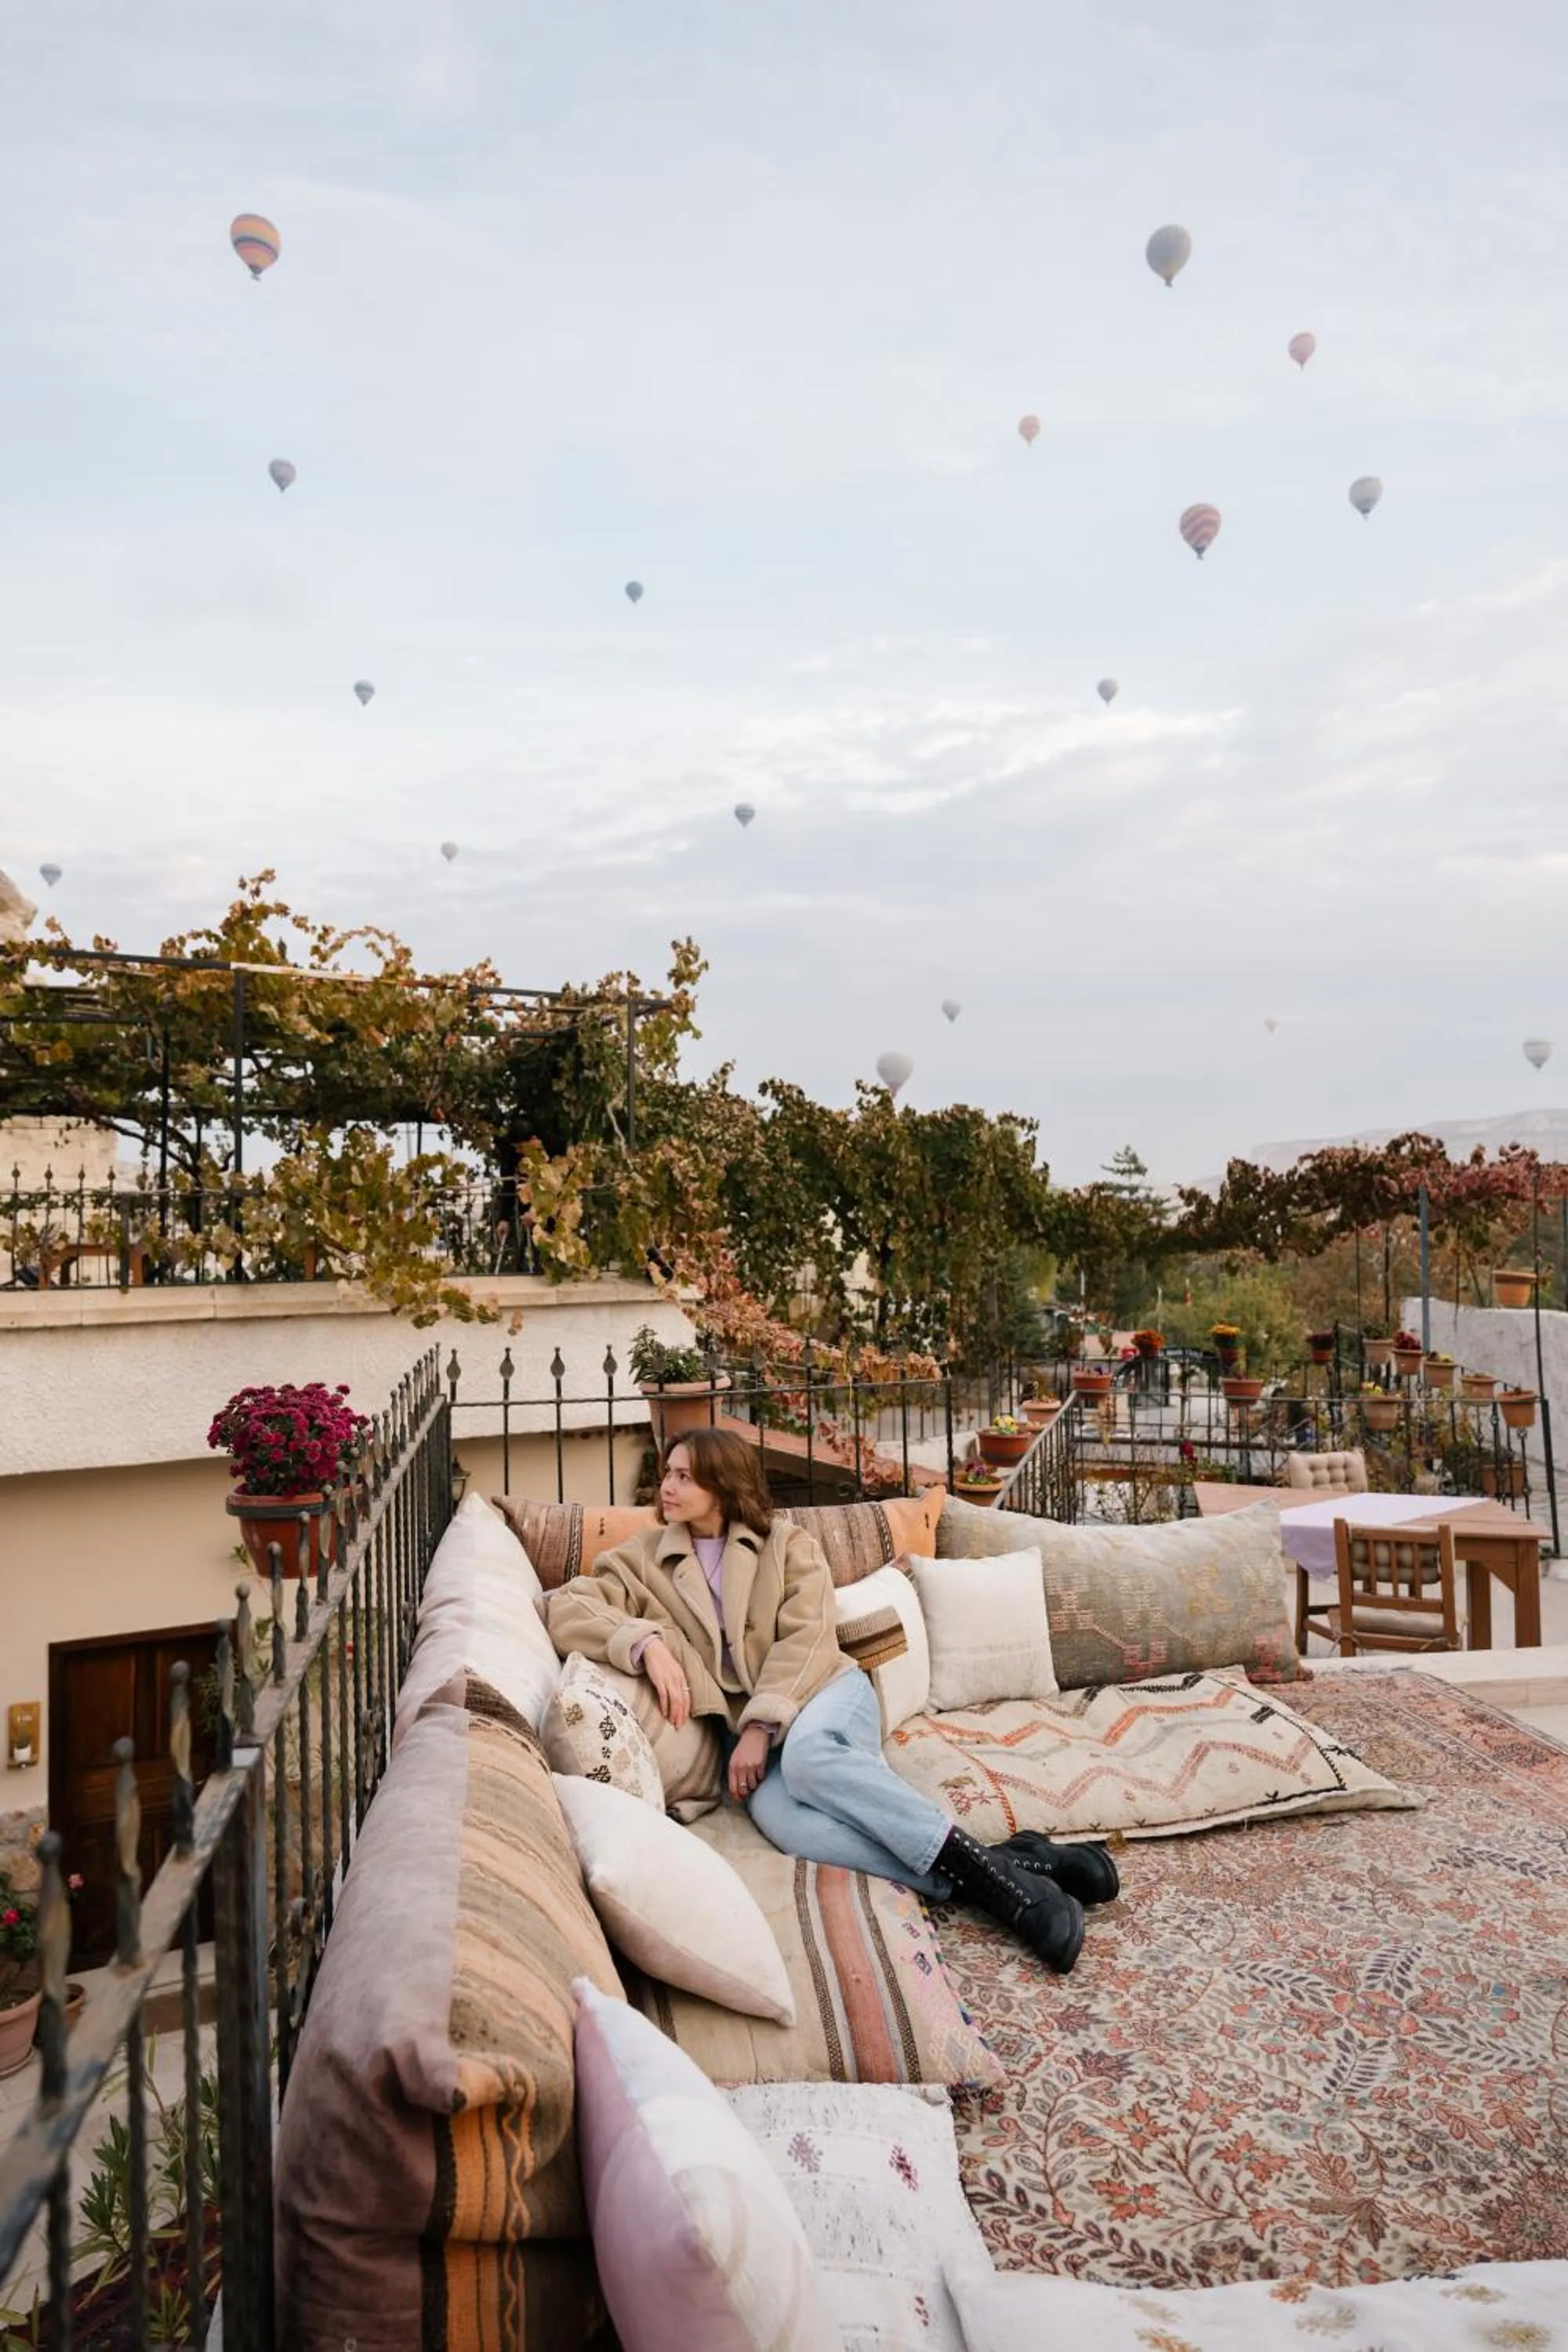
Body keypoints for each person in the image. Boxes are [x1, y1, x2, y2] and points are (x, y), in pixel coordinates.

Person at [543, 1426, 1120, 1974]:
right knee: (793, 1828)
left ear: (723, 1484)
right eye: (668, 1473)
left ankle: (1010, 1897)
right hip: (748, 1744)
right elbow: (567, 1605)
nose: (667, 1487)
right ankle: (1010, 1862)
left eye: (685, 1477)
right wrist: (643, 1643)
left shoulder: (785, 1544)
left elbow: (810, 1637)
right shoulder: (644, 1559)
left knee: (811, 1759)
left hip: (824, 1694)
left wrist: (759, 1728)